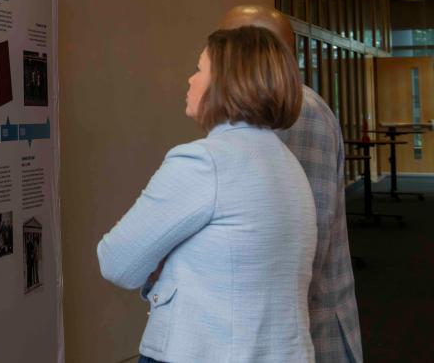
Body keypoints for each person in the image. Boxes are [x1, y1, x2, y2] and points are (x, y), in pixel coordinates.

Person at [98, 26, 317, 363]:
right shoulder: (287, 165)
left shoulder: (204, 162)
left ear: (229, 82)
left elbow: (116, 262)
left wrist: (160, 258)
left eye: (199, 69)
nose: (190, 79)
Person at [219, 5, 363, 362]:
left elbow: (303, 242)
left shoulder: (298, 113)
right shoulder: (262, 111)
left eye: (234, 45)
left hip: (304, 334)